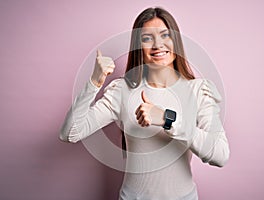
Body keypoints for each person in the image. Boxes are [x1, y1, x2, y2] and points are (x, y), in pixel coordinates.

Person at [60, 7, 230, 200]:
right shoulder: (123, 90)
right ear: (138, 47)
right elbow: (70, 133)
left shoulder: (198, 91)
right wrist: (94, 83)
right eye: (147, 38)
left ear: (176, 41)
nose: (157, 44)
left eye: (165, 35)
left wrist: (168, 119)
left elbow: (220, 154)